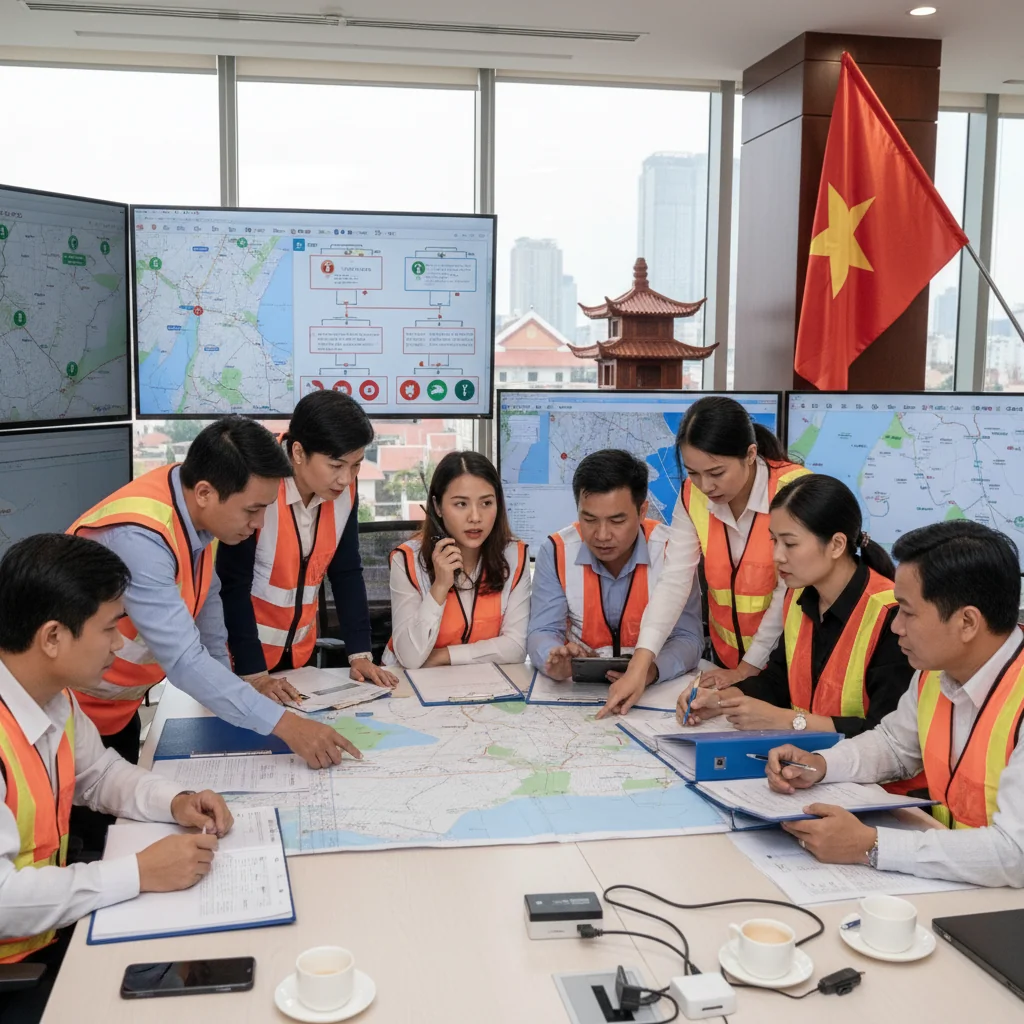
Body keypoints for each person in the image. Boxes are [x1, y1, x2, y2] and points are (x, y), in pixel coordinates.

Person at [0, 535, 233, 1024]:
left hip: (53, 929)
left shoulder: (50, 695)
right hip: (15, 968)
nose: (120, 644)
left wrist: (176, 801)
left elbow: (100, 774)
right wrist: (138, 873)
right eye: (108, 628)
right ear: (52, 637)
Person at [67, 416, 362, 781]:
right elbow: (185, 660)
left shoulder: (194, 510)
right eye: (252, 510)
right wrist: (288, 727)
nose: (258, 524)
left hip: (113, 711)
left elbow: (208, 617)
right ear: (206, 493)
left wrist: (232, 696)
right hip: (64, 715)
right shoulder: (139, 540)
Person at [766, 521, 1024, 887]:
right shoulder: (936, 671)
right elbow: (895, 744)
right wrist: (822, 765)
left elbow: (1016, 853)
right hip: (960, 883)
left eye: (908, 612)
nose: (896, 627)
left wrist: (871, 846)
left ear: (967, 622)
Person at [599, 396, 809, 718]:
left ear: (750, 455)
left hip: (787, 663)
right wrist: (640, 667)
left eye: (716, 472)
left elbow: (789, 592)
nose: (705, 486)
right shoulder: (691, 494)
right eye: (694, 473)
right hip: (726, 666)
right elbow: (674, 581)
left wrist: (747, 669)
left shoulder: (794, 491)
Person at [680, 475, 914, 741]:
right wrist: (721, 701)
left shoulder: (892, 617)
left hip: (870, 777)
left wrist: (788, 721)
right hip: (813, 762)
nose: (777, 556)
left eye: (790, 544)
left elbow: (888, 735)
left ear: (837, 545)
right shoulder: (798, 596)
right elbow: (779, 680)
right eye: (774, 541)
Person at [217, 391, 398, 695]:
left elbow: (347, 572)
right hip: (240, 663)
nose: (346, 478)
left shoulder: (343, 494)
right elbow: (232, 586)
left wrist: (360, 653)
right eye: (336, 465)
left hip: (298, 662)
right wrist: (254, 673)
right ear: (298, 453)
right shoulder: (257, 484)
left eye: (356, 465)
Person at [528, 450, 703, 686]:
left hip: (655, 688)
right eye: (589, 519)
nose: (602, 535)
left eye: (617, 521)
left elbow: (688, 638)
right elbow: (542, 630)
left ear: (642, 512)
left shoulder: (672, 551)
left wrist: (649, 671)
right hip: (577, 686)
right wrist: (554, 658)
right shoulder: (556, 550)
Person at [384, 451, 530, 669]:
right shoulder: (407, 560)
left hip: (481, 683)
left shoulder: (514, 555)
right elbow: (410, 658)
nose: (475, 517)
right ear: (437, 507)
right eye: (461, 504)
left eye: (486, 503)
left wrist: (443, 656)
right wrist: (440, 587)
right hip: (411, 686)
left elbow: (516, 647)